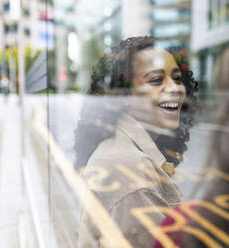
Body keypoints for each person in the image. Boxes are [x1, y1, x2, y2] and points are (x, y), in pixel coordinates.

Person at [75, 36, 198, 247]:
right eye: (156, 80)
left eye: (177, 78)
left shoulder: (123, 147)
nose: (175, 88)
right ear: (123, 95)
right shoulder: (132, 170)